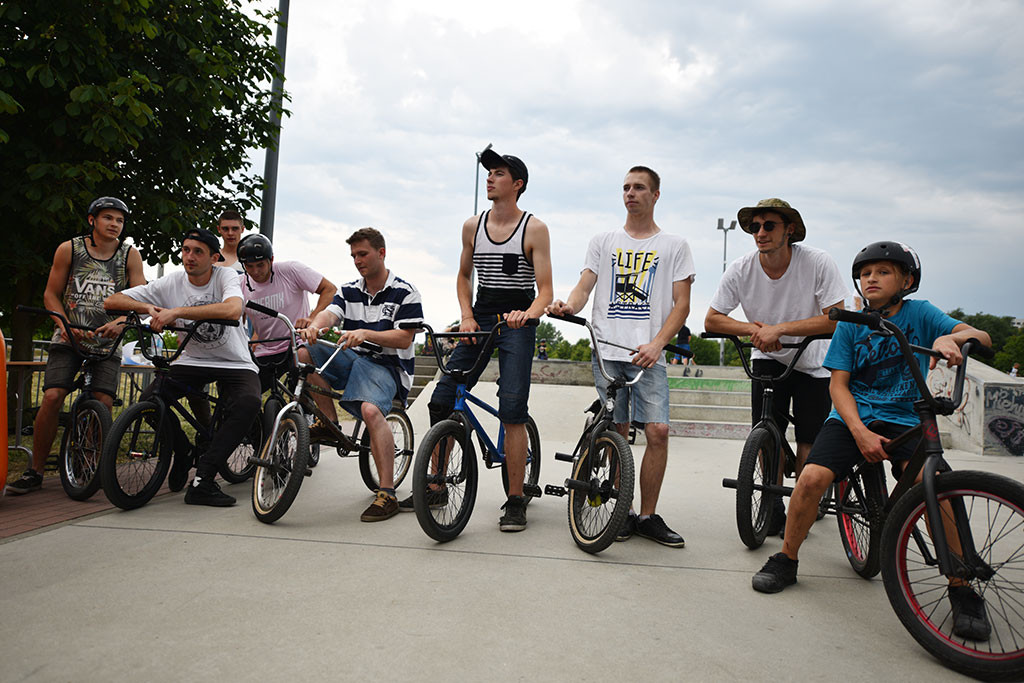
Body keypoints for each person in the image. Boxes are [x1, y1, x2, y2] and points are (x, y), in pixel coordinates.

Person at [751, 241, 993, 643]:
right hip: (852, 417)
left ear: (906, 281)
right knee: (811, 478)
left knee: (936, 488)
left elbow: (979, 335)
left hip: (904, 418)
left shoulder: (921, 313)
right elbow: (838, 386)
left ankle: (961, 586)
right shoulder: (852, 322)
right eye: (865, 274)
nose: (871, 279)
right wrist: (860, 431)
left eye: (883, 272)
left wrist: (955, 339)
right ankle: (787, 557)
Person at [547, 165, 694, 547]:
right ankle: (623, 512)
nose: (631, 193)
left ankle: (648, 515)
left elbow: (682, 304)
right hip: (607, 350)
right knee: (619, 430)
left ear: (655, 195)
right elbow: (584, 287)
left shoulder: (674, 245)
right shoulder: (603, 241)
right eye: (626, 187)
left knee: (658, 431)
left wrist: (658, 343)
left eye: (639, 187)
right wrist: (569, 305)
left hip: (648, 354)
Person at [409, 147, 553, 532]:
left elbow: (545, 291)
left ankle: (516, 499)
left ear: (517, 184)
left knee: (512, 408)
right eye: (489, 172)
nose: (490, 177)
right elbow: (463, 276)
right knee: (442, 400)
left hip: (517, 320)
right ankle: (437, 484)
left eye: (499, 173)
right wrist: (467, 316)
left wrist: (528, 314)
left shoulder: (534, 229)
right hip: (482, 316)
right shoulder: (472, 226)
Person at [704, 198, 848, 534]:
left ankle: (801, 508)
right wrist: (754, 330)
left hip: (813, 360)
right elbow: (712, 319)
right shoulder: (741, 268)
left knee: (809, 438)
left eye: (769, 225)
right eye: (755, 227)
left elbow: (836, 318)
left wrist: (780, 329)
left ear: (789, 230)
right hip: (767, 356)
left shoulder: (817, 262)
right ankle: (772, 506)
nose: (760, 232)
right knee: (767, 430)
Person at [104, 228, 261, 507]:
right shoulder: (172, 282)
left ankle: (204, 479)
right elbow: (112, 301)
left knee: (248, 403)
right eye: (186, 250)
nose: (189, 256)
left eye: (198, 252)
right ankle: (183, 449)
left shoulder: (225, 276)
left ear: (214, 258)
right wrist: (149, 308)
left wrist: (176, 311)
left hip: (235, 362)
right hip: (192, 360)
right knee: (150, 401)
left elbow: (232, 310)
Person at [7, 197, 146, 495]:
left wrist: (121, 322)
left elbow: (141, 298)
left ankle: (89, 464)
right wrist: (65, 327)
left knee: (103, 402)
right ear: (92, 220)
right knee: (53, 396)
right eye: (108, 217)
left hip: (108, 340)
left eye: (120, 220)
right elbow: (51, 294)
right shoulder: (69, 249)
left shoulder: (129, 255)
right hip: (69, 337)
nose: (114, 224)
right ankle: (35, 471)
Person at [297, 228, 423, 522]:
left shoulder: (405, 292)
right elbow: (331, 314)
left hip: (388, 367)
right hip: (353, 359)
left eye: (362, 254)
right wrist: (315, 324)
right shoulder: (349, 290)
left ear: (381, 253)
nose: (357, 260)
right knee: (303, 353)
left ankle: (387, 494)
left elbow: (405, 338)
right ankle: (328, 422)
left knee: (370, 410)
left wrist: (367, 333)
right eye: (353, 255)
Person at [237, 234, 337, 392]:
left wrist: (312, 318)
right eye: (249, 266)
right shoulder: (240, 284)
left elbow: (330, 290)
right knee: (246, 391)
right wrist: (251, 337)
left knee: (301, 387)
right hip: (266, 348)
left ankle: (308, 406)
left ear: (271, 260)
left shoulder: (290, 270)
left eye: (260, 265)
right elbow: (236, 317)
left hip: (296, 343)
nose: (255, 271)